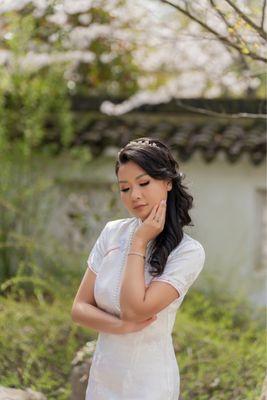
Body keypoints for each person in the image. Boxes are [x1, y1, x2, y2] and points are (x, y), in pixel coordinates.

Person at [71, 137, 205, 400]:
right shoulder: (112, 233)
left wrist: (140, 241)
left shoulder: (188, 252)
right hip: (103, 377)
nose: (134, 196)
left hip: (148, 383)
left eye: (143, 183)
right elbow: (79, 308)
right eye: (124, 188)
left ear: (167, 182)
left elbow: (134, 310)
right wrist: (120, 328)